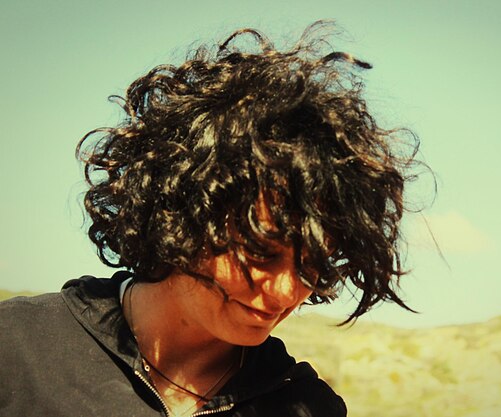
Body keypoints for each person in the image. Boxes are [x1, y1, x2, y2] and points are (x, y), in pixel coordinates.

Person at [0, 21, 422, 417]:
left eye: (312, 266)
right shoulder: (19, 348)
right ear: (180, 214)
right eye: (261, 252)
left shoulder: (304, 406)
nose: (285, 292)